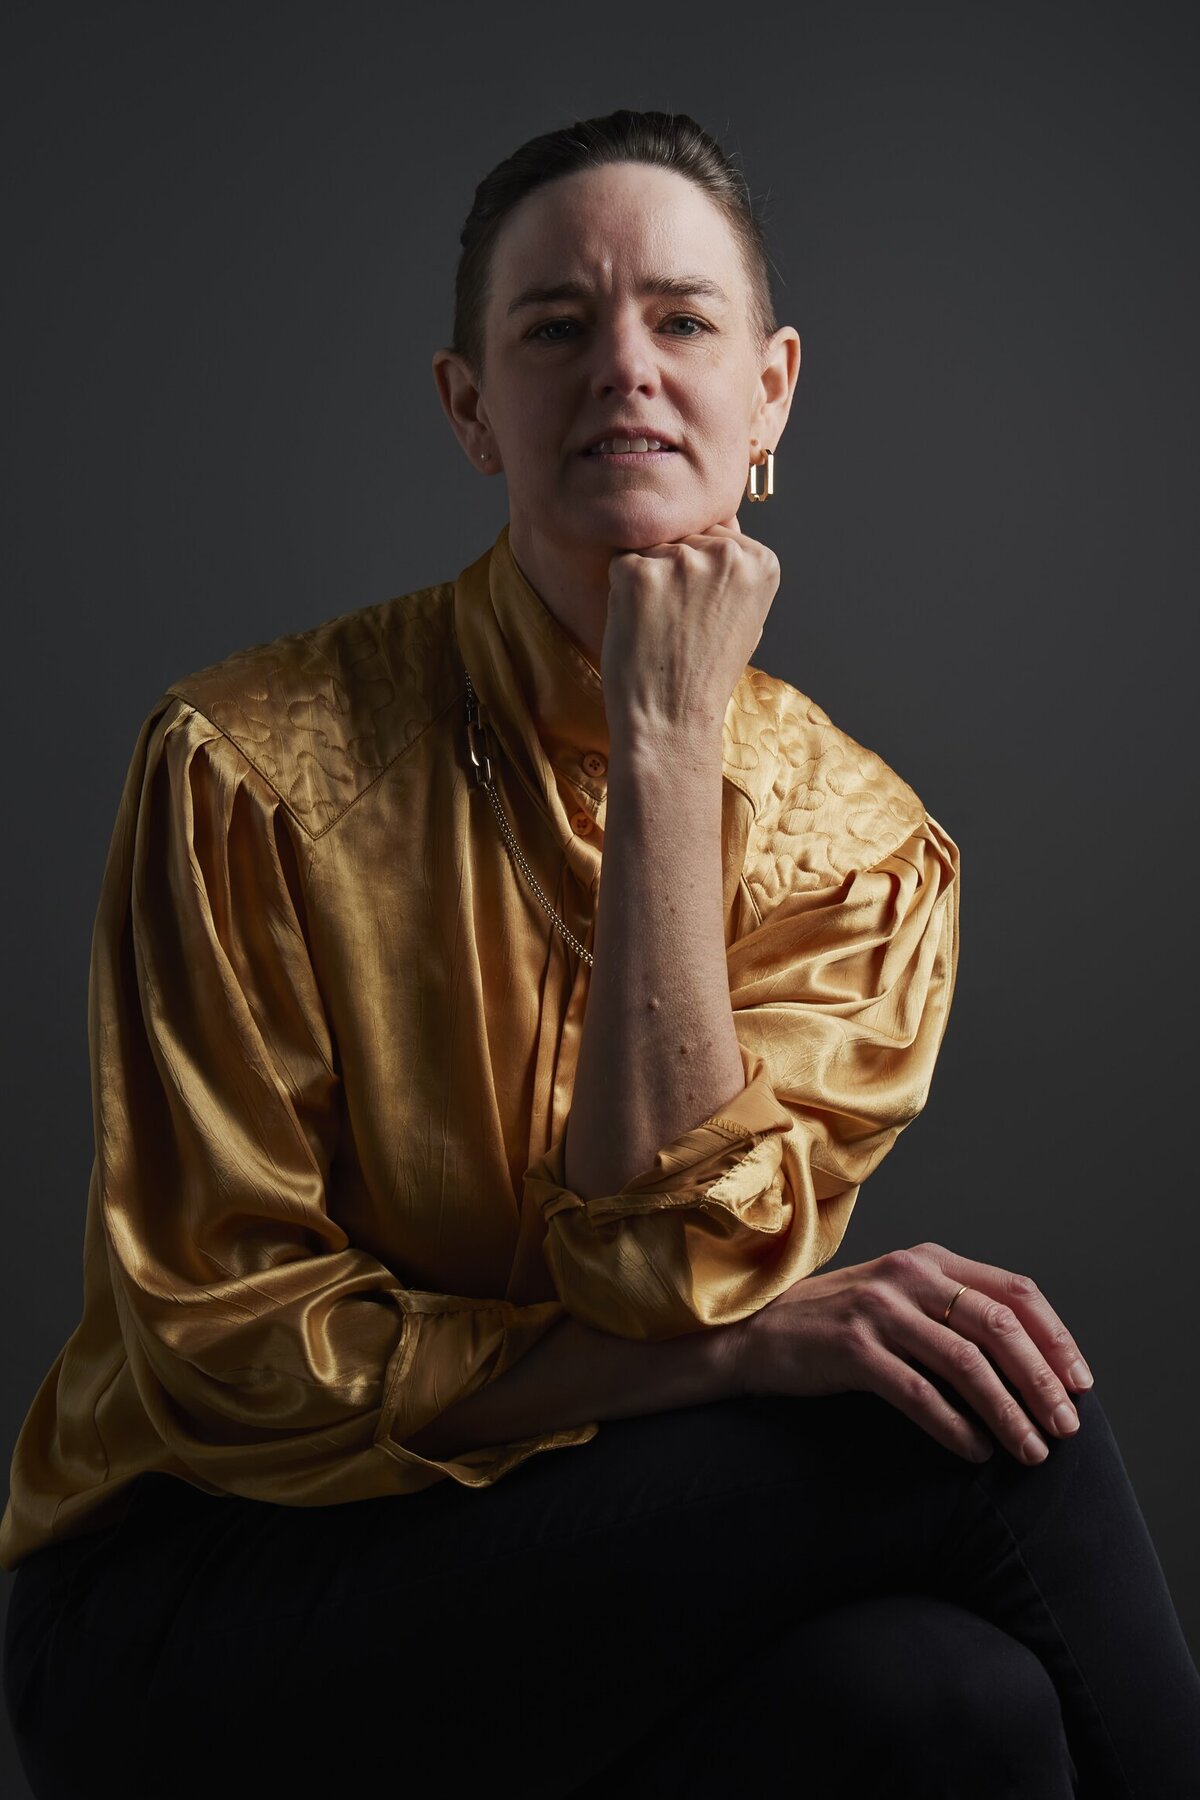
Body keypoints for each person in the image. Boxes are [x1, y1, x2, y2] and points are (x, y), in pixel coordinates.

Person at [2, 105, 1197, 1800]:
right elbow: (232, 1350)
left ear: (770, 393)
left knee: (957, 1707)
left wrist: (667, 742)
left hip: (574, 1565)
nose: (625, 366)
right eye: (557, 327)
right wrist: (736, 1357)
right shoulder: (249, 766)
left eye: (683, 321)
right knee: (980, 1446)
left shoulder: (860, 847)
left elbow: (667, 1272)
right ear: (470, 406)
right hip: (209, 1588)